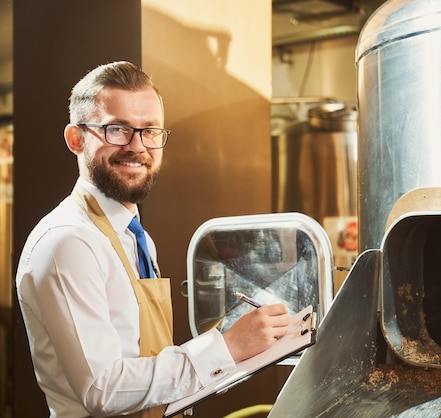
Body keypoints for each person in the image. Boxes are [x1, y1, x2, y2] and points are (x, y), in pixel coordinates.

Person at [15, 61, 290, 418]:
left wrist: (241, 348)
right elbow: (103, 388)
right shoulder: (69, 242)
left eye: (149, 131)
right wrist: (226, 348)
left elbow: (143, 360)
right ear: (76, 139)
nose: (137, 147)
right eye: (117, 129)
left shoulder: (133, 235)